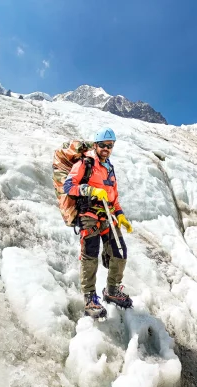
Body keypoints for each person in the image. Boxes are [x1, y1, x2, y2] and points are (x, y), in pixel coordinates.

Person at [63, 127, 133, 319]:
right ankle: (89, 297)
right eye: (103, 145)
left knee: (120, 252)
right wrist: (91, 191)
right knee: (90, 256)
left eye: (110, 146)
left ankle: (111, 290)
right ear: (96, 145)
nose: (106, 149)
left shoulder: (110, 168)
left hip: (108, 216)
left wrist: (120, 215)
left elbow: (114, 198)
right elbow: (69, 186)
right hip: (89, 216)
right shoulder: (85, 163)